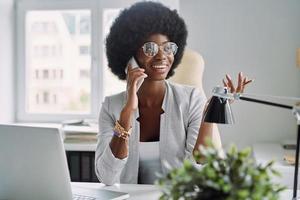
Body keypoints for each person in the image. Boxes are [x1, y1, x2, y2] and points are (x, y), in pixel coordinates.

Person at [95, 1, 252, 185]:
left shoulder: (192, 99)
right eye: (150, 48)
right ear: (131, 56)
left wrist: (209, 113)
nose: (162, 56)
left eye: (168, 47)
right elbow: (107, 177)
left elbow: (199, 168)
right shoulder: (111, 106)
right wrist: (128, 110)